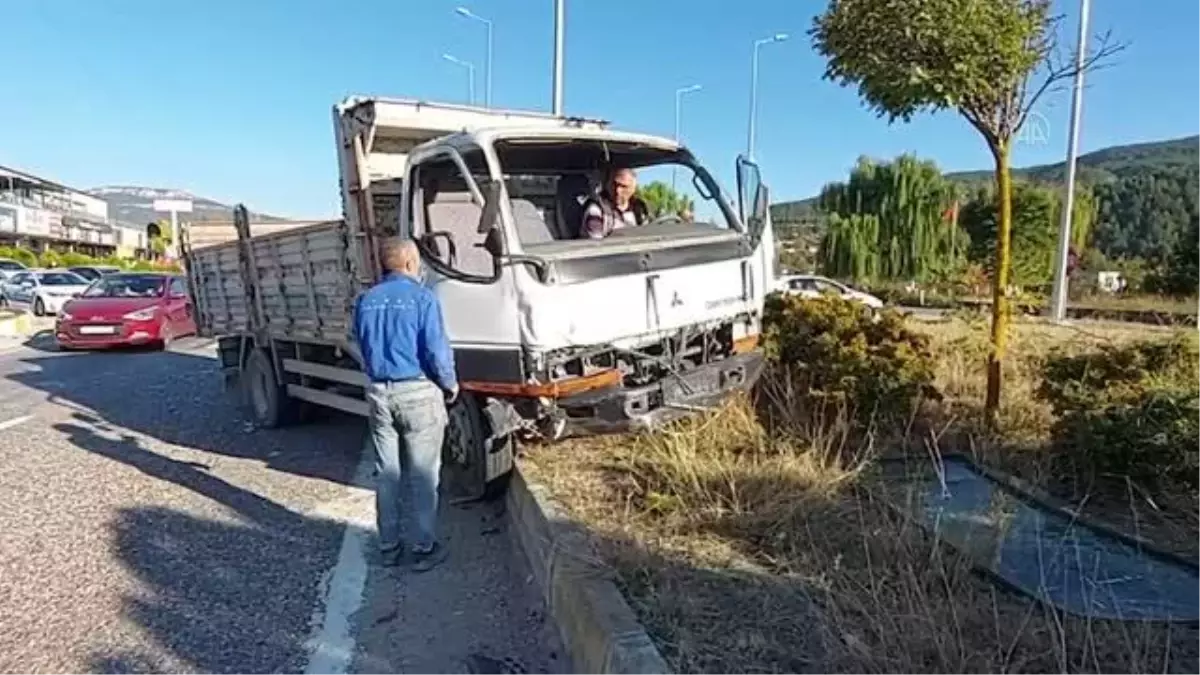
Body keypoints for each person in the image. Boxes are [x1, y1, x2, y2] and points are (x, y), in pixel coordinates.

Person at [354, 238, 458, 572]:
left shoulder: (365, 300)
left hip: (379, 394)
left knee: (387, 473)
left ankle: (388, 547)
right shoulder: (422, 298)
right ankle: (424, 548)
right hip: (417, 392)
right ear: (412, 263)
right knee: (423, 473)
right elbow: (435, 350)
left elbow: (359, 343)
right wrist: (450, 384)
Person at [579, 167, 650, 239]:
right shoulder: (596, 210)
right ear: (608, 184)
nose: (617, 191)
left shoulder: (639, 208)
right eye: (614, 184)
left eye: (624, 186)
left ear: (633, 188)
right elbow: (595, 245)